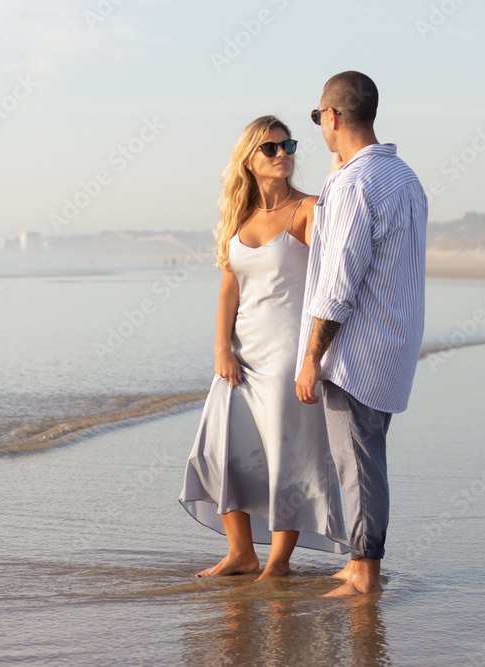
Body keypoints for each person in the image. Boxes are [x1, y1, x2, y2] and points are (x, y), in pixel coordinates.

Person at [179, 115, 349, 581]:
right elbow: (228, 286)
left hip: (287, 354)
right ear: (249, 160)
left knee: (286, 454)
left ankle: (277, 562)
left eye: (288, 145)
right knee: (221, 449)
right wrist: (221, 347)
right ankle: (241, 553)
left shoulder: (308, 209)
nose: (283, 154)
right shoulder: (241, 216)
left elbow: (336, 267)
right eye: (271, 148)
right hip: (240, 354)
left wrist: (314, 357)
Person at [295, 71, 428, 596]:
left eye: (318, 118)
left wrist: (310, 358)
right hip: (393, 344)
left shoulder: (354, 185)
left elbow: (338, 285)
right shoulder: (403, 177)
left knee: (358, 464)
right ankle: (358, 562)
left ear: (331, 117)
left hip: (356, 352)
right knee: (364, 458)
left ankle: (365, 574)